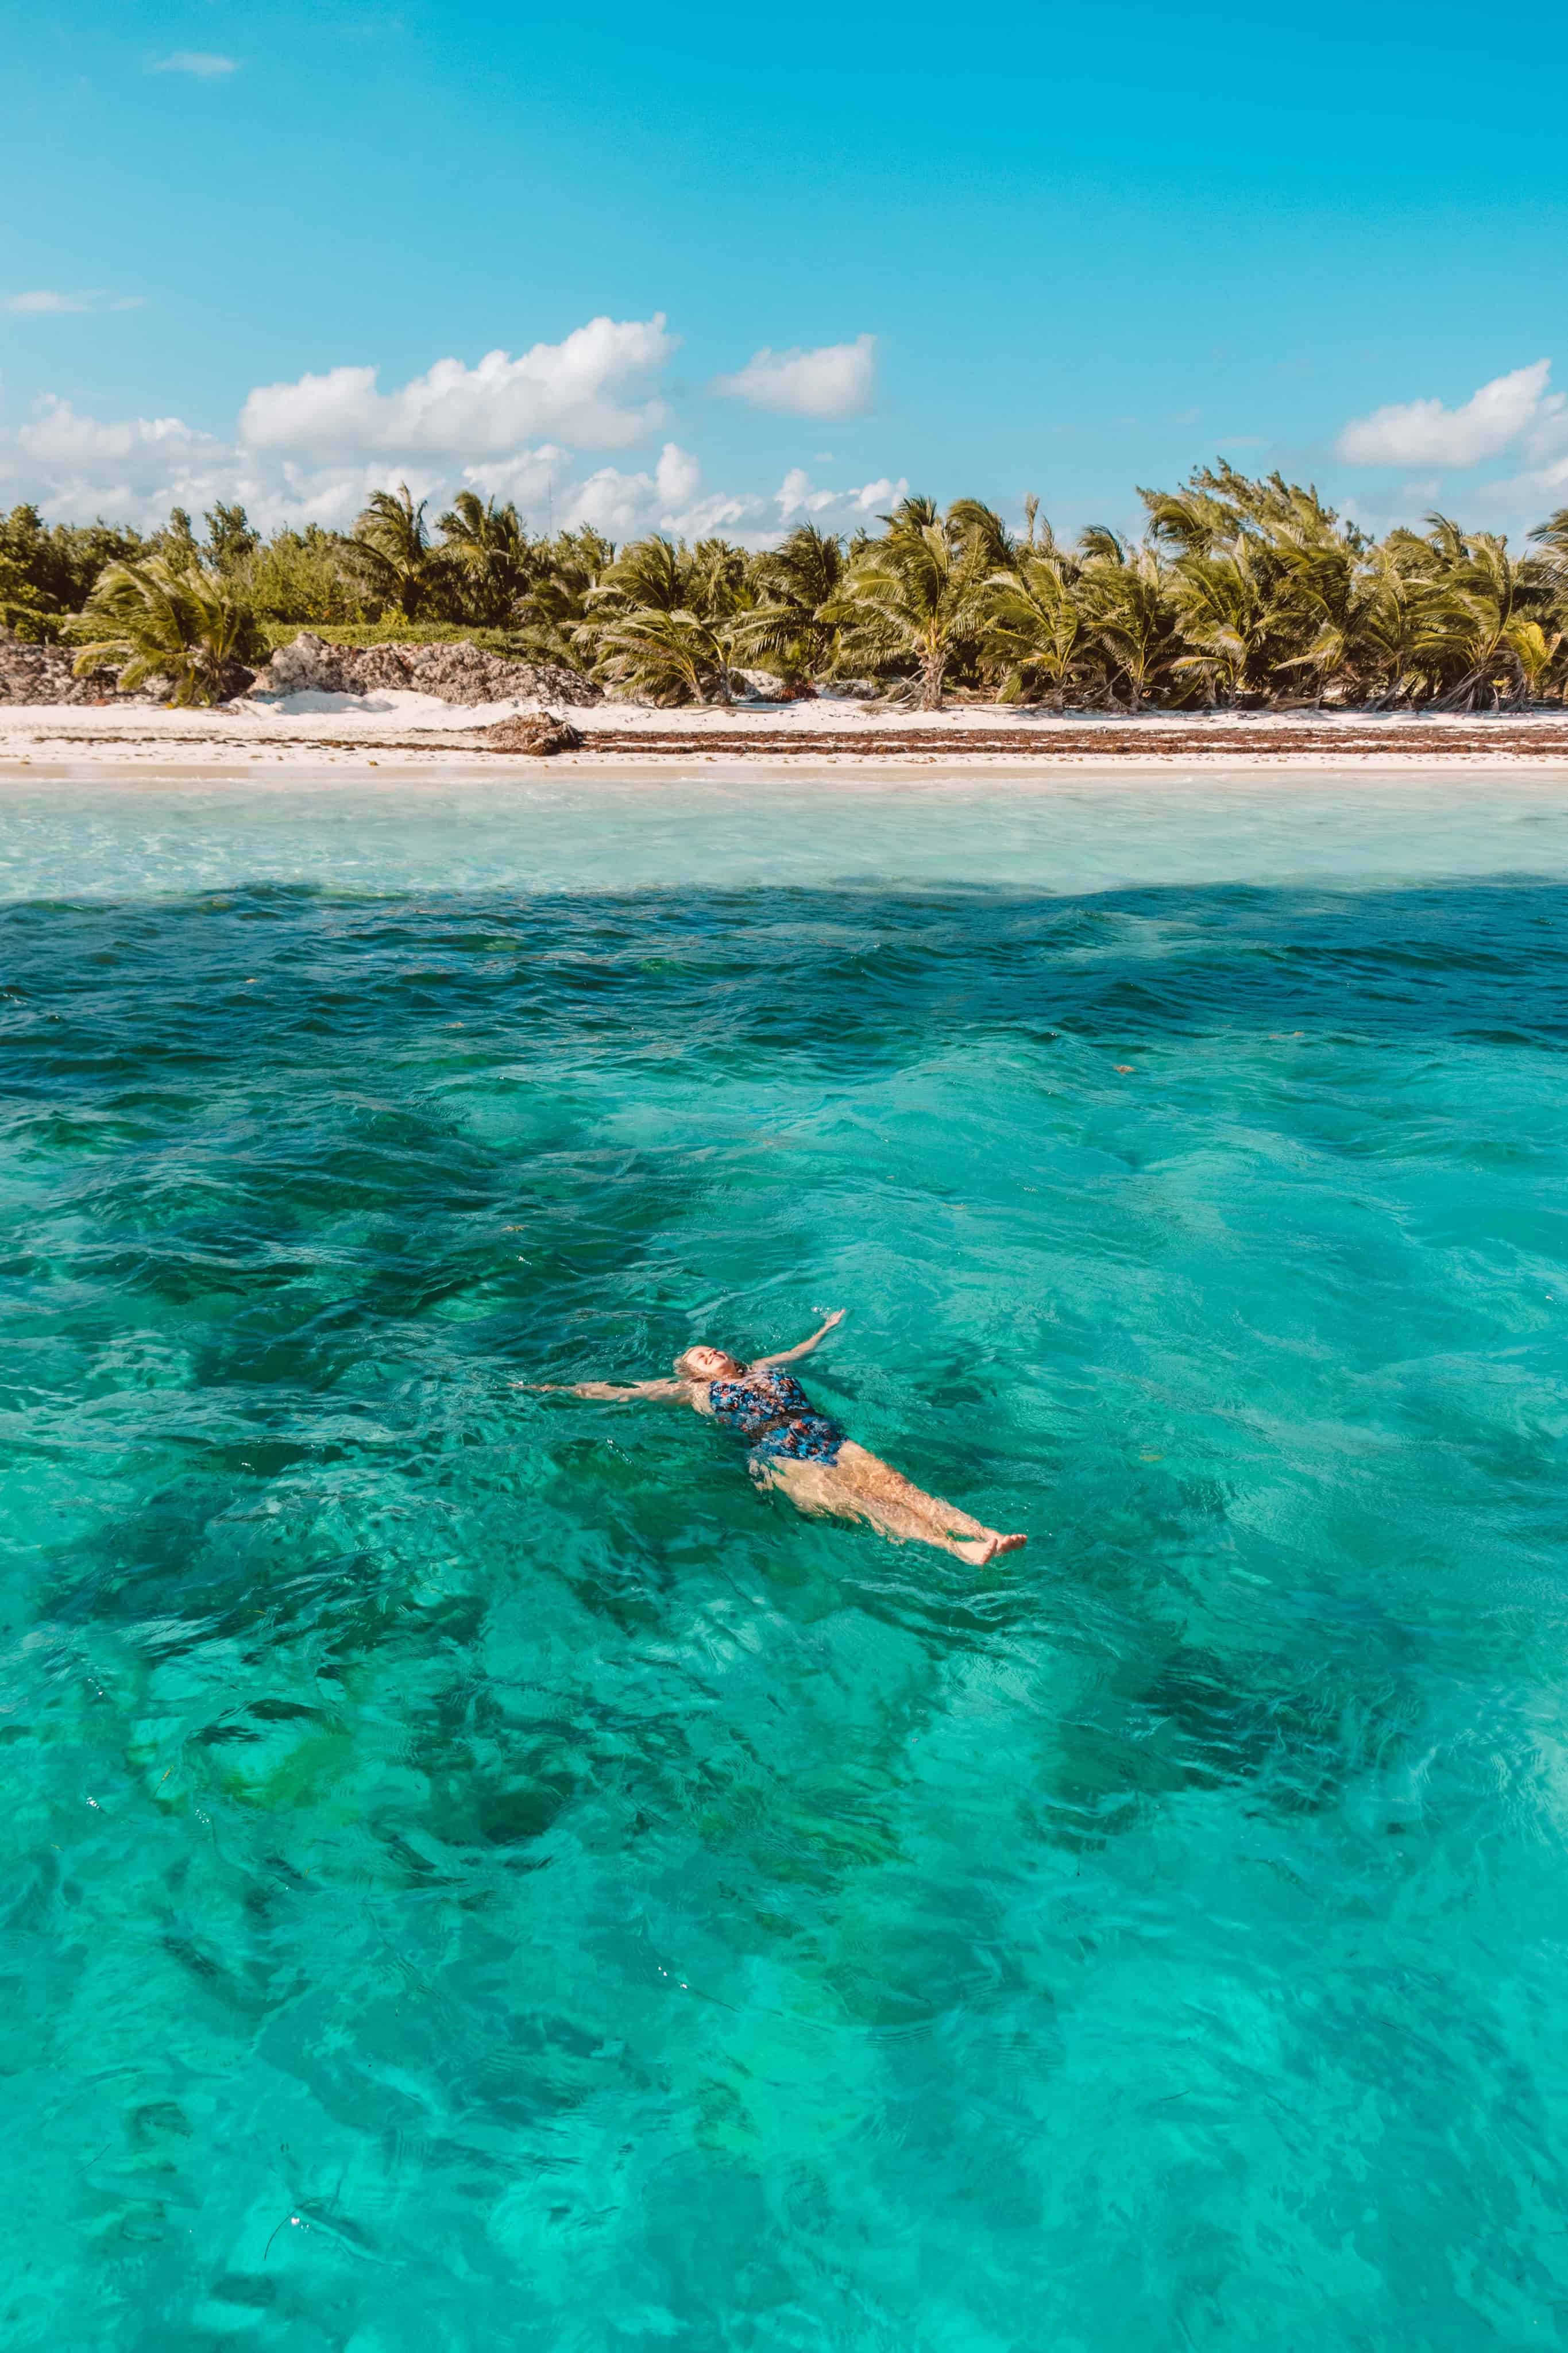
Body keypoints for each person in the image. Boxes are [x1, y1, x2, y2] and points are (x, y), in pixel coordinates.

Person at [524, 1311, 1026, 1565]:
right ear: (691, 1373)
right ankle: (955, 1550)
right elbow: (620, 1392)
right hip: (777, 1455)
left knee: (903, 1490)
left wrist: (827, 1328)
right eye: (699, 1356)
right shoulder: (690, 1393)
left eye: (711, 1348)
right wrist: (554, 1388)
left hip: (824, 1434)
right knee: (870, 1507)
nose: (709, 1353)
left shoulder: (762, 1367)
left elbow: (801, 1350)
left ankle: (985, 1534)